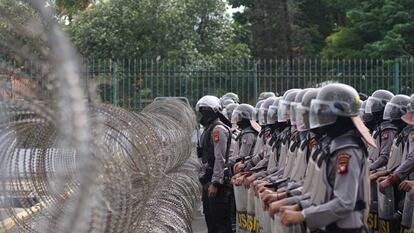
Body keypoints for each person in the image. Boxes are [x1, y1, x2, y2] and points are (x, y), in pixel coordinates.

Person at [280, 83, 375, 233]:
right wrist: (297, 205)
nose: (319, 117)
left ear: (337, 114)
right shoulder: (336, 145)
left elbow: (344, 202)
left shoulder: (347, 151)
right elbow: (324, 192)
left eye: (324, 112)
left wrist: (302, 215)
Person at [196, 95, 233, 233]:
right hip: (208, 180)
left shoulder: (218, 130)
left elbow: (220, 158)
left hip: (217, 184)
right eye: (202, 109)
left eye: (207, 110)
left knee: (220, 223)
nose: (204, 112)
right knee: (211, 220)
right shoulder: (208, 129)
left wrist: (215, 183)